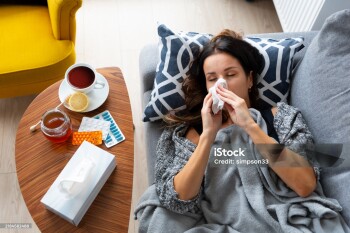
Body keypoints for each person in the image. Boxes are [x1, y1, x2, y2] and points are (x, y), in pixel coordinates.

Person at [135, 29, 348, 233]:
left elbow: (305, 185)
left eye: (230, 74)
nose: (222, 85)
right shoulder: (187, 134)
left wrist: (251, 126)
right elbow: (177, 199)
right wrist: (208, 134)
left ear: (249, 79)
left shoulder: (280, 117)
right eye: (212, 79)